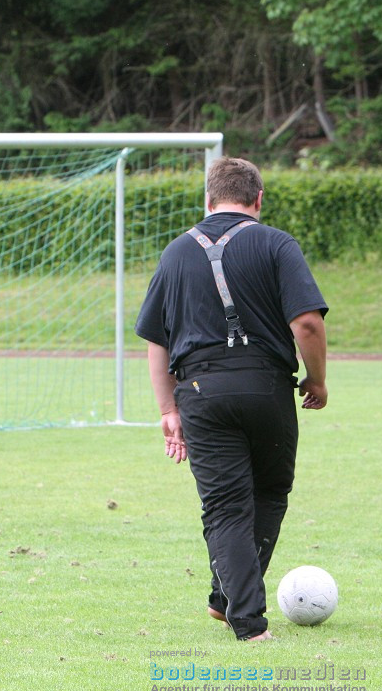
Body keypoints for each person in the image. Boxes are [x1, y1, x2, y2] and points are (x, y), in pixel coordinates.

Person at [134, 157, 329, 642]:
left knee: (224, 507)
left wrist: (167, 409)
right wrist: (318, 380)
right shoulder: (277, 243)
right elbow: (306, 322)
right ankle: (241, 612)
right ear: (259, 199)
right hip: (267, 388)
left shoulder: (175, 253)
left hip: (199, 391)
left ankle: (233, 605)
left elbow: (156, 341)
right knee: (268, 495)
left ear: (208, 200)